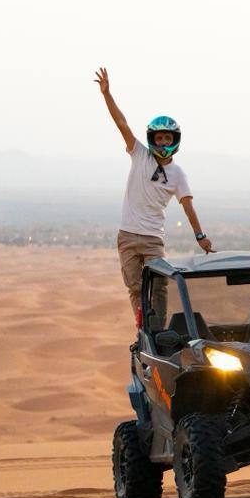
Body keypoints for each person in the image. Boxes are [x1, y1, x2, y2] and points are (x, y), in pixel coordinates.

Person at [95, 67, 214, 326]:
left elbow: (188, 207)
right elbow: (121, 123)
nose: (162, 143)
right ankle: (144, 330)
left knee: (159, 286)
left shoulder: (178, 173)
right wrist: (107, 94)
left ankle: (158, 330)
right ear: (152, 139)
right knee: (135, 288)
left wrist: (200, 236)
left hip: (152, 239)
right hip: (127, 236)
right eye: (158, 138)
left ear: (175, 139)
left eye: (166, 138)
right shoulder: (139, 154)